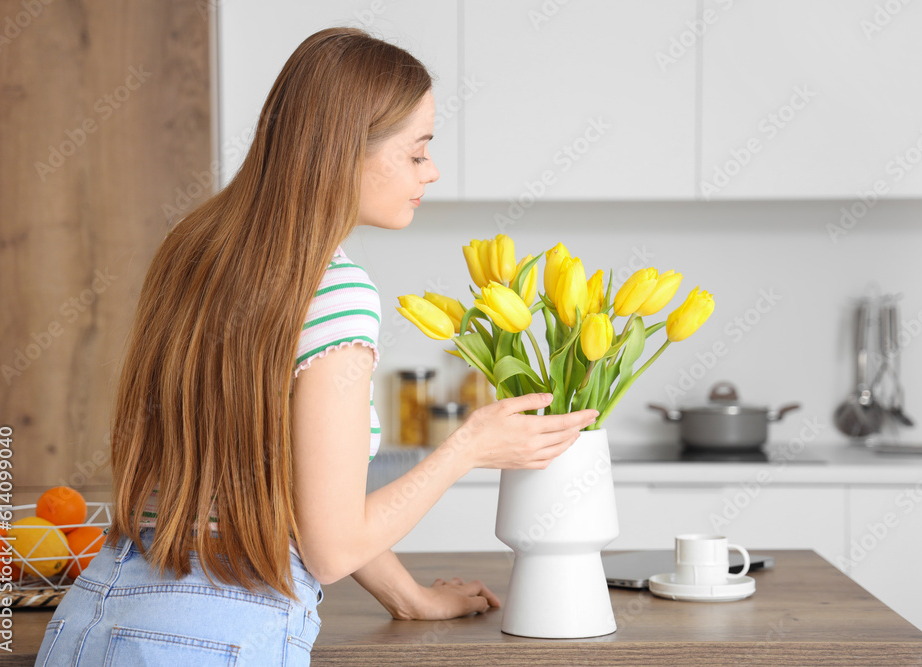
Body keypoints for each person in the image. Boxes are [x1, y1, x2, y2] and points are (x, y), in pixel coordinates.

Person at [35, 27, 599, 666]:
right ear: (343, 150)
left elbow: (291, 493)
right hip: (217, 634)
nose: (431, 171)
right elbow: (330, 548)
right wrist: (469, 447)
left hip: (94, 617)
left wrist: (410, 596)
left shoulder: (195, 246)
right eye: (417, 153)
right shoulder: (338, 291)